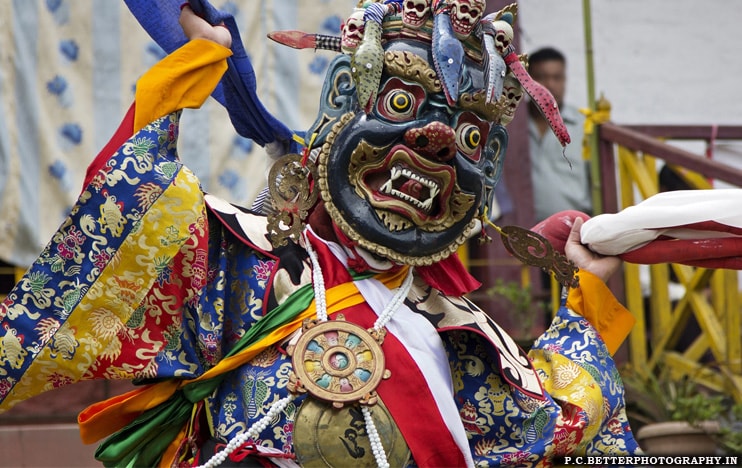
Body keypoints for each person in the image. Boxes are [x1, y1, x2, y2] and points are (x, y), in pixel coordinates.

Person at [0, 2, 640, 466]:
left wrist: (585, 295)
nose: (438, 143)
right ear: (340, 108)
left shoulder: (462, 327)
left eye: (471, 137)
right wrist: (188, 71)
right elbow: (132, 208)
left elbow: (552, 423)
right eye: (399, 104)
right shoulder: (245, 261)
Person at [527, 46, 592, 224]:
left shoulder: (584, 126)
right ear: (526, 80)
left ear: (565, 80)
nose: (550, 85)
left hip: (573, 229)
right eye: (541, 77)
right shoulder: (511, 125)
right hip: (520, 230)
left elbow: (597, 182)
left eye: (557, 77)